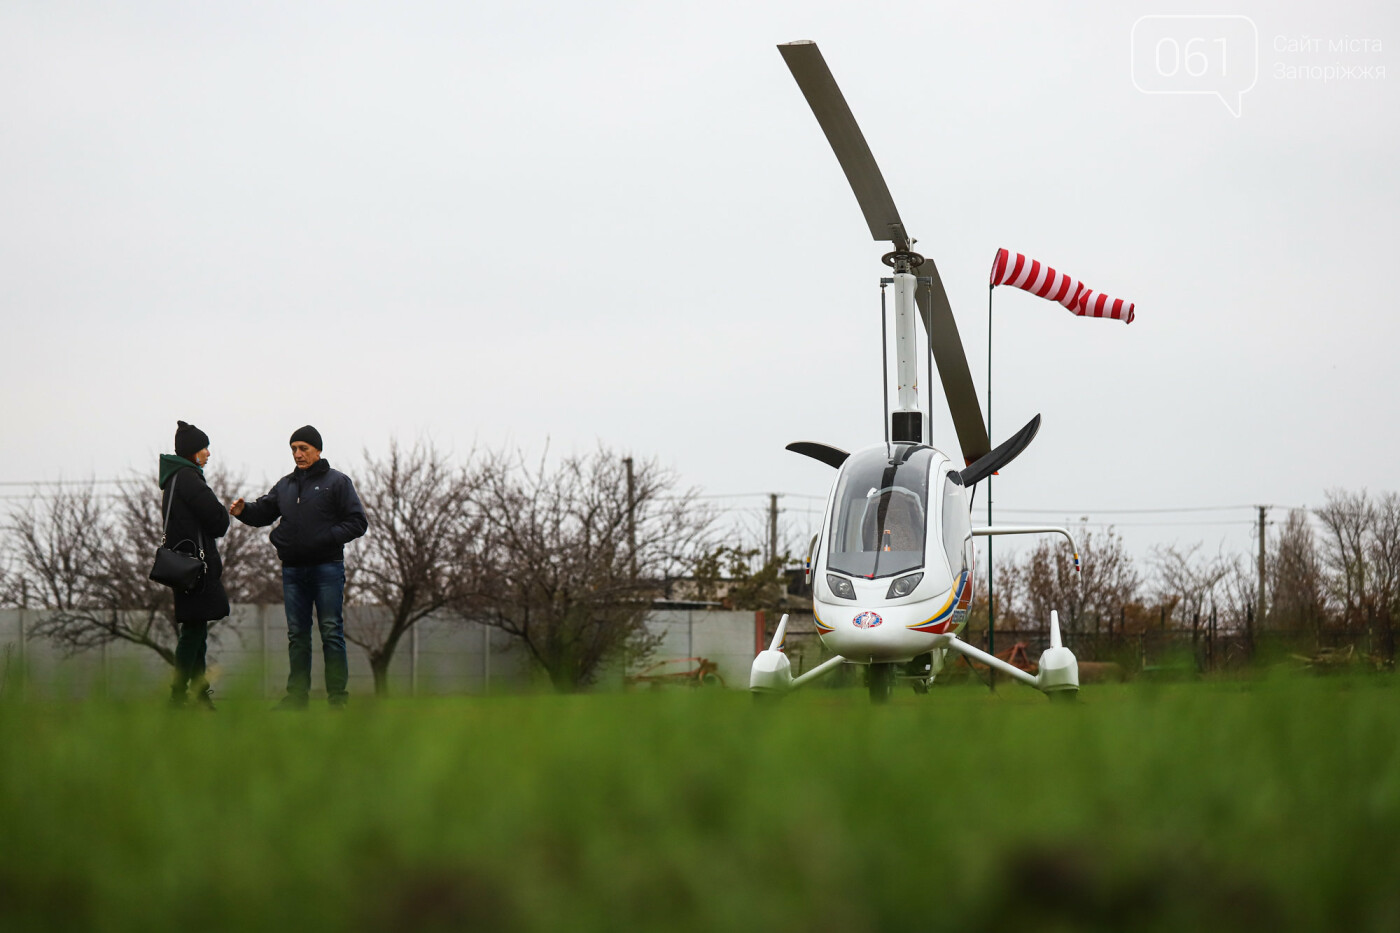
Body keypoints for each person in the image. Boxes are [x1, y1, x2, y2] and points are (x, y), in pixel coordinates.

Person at [230, 426, 368, 709]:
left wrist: (325, 538)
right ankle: (296, 699)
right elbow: (264, 512)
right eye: (293, 448)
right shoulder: (285, 485)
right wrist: (244, 512)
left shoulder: (338, 482)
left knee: (331, 631)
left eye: (303, 448)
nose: (298, 454)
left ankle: (338, 700)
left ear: (318, 450)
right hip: (293, 571)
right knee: (297, 635)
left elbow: (357, 522)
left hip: (327, 568)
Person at [160, 420, 231, 709]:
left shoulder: (173, 479)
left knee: (196, 628)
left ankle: (200, 694)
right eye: (205, 449)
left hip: (183, 566)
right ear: (193, 453)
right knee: (192, 633)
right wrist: (224, 514)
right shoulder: (189, 478)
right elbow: (218, 520)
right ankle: (178, 695)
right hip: (195, 569)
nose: (208, 454)